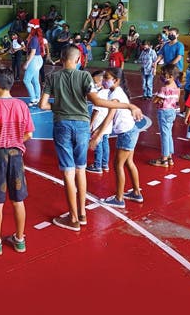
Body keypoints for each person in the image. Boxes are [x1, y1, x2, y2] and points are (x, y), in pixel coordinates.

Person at [39, 46, 142, 231]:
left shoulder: (52, 77)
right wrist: (129, 106)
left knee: (68, 173)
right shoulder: (85, 76)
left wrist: (61, 107)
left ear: (61, 59)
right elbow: (97, 102)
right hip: (82, 127)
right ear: (79, 60)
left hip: (62, 125)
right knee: (81, 170)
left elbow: (43, 104)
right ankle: (83, 214)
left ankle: (73, 219)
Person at [0, 68, 34, 255]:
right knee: (18, 201)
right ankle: (19, 240)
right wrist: (15, 140)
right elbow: (29, 134)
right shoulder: (22, 106)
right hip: (16, 156)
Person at [93, 68, 143, 208]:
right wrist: (98, 130)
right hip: (130, 131)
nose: (104, 80)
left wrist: (98, 136)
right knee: (128, 163)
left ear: (116, 80)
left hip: (127, 133)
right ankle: (136, 192)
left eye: (107, 78)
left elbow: (109, 116)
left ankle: (119, 198)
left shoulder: (115, 94)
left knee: (118, 165)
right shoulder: (113, 92)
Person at [148, 64, 180, 167]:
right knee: (168, 134)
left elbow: (155, 100)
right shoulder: (176, 86)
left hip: (164, 112)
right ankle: (170, 157)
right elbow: (177, 99)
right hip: (172, 111)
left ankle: (164, 159)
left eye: (164, 74)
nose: (162, 75)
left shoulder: (164, 88)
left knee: (164, 135)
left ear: (170, 76)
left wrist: (158, 98)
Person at [86, 70, 111, 174]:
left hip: (99, 121)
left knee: (98, 143)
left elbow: (96, 110)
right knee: (105, 142)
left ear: (103, 80)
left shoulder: (100, 94)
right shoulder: (109, 92)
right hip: (107, 123)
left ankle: (97, 165)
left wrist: (91, 123)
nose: (95, 84)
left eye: (96, 82)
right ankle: (105, 164)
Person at [23, 19, 45, 107]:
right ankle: (37, 98)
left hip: (34, 60)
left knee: (26, 80)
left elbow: (32, 52)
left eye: (29, 26)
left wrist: (27, 63)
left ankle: (33, 99)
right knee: (35, 80)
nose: (27, 28)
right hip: (38, 59)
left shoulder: (34, 39)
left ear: (32, 28)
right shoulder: (36, 38)